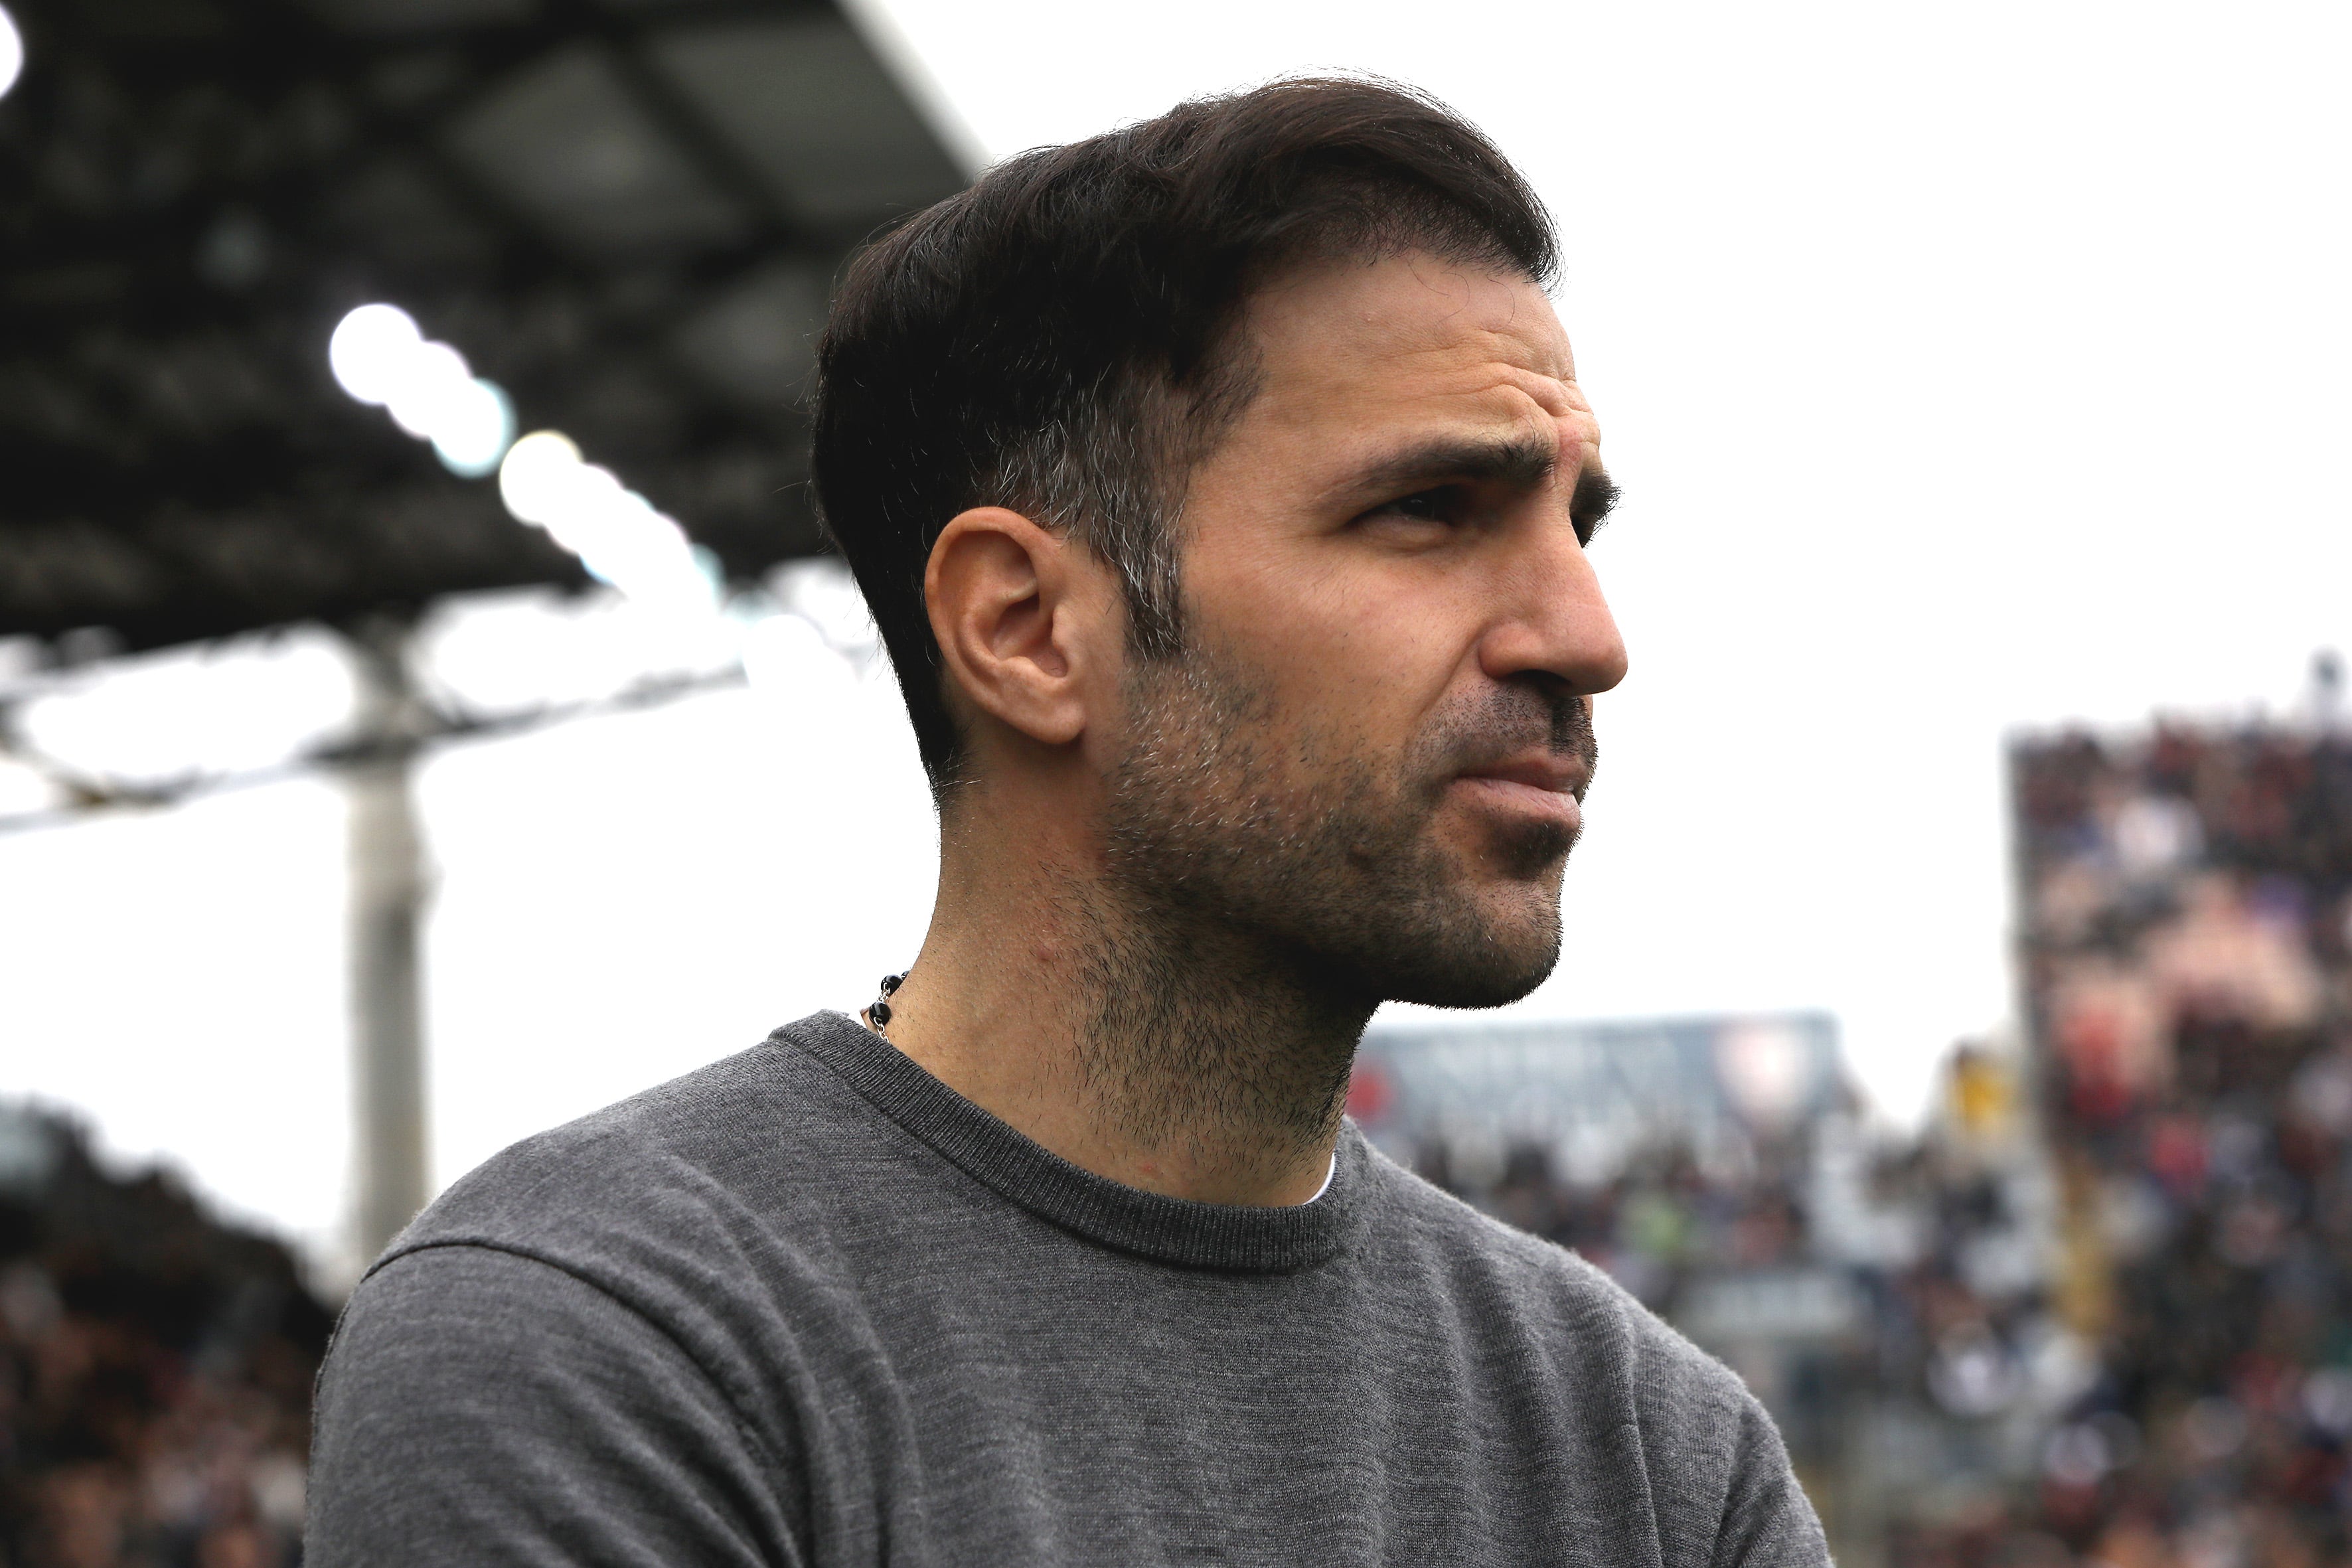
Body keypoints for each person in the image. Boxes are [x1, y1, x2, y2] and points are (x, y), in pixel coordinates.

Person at [307, 77, 1830, 1567]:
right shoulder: (610, 1342)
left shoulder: (1649, 1449)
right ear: (1026, 627)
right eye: (1429, 509)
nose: (1586, 633)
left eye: (1573, 523)